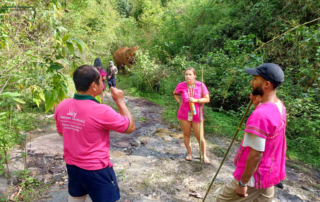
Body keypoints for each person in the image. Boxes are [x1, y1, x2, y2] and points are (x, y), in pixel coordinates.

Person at [54, 65, 135, 202]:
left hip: (72, 166)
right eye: (101, 81)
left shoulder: (62, 106)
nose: (102, 83)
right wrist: (119, 100)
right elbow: (130, 127)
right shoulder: (102, 111)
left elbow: (62, 133)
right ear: (93, 86)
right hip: (96, 170)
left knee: (76, 198)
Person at [216, 63, 286, 202]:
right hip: (269, 174)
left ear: (266, 84)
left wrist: (243, 183)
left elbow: (255, 155)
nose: (251, 82)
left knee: (222, 200)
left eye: (255, 79)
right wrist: (257, 106)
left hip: (254, 177)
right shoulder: (279, 105)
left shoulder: (261, 115)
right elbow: (270, 136)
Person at [173, 67, 210, 164]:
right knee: (186, 134)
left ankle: (204, 155)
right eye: (186, 74)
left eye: (190, 74)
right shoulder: (181, 85)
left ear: (195, 75)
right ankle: (189, 153)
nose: (188, 76)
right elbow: (175, 93)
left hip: (197, 114)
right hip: (184, 114)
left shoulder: (200, 85)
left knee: (200, 136)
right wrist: (179, 101)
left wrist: (196, 100)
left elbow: (207, 99)